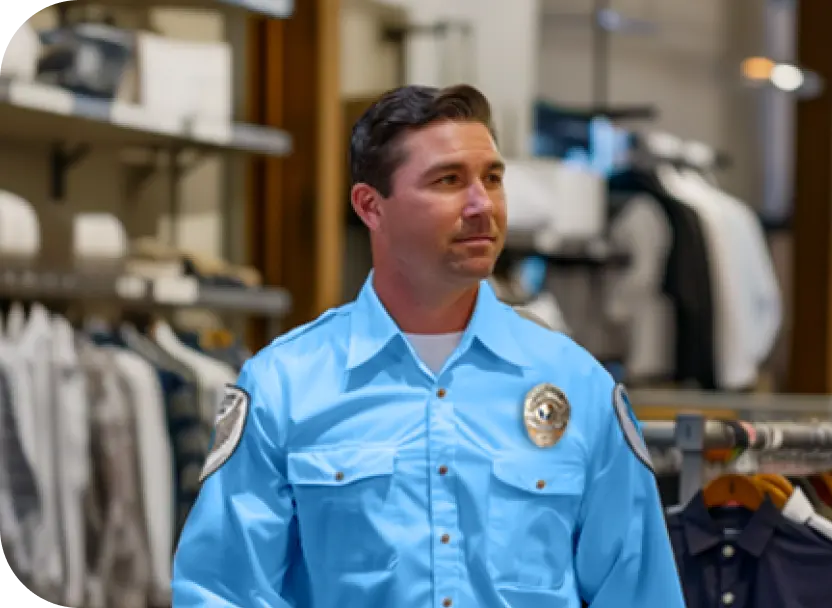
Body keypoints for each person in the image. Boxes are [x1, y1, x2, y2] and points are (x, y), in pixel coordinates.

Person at [171, 84, 686, 607]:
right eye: (448, 181)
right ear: (371, 207)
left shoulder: (578, 385)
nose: (482, 204)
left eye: (492, 178)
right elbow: (221, 590)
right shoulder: (286, 385)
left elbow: (638, 589)